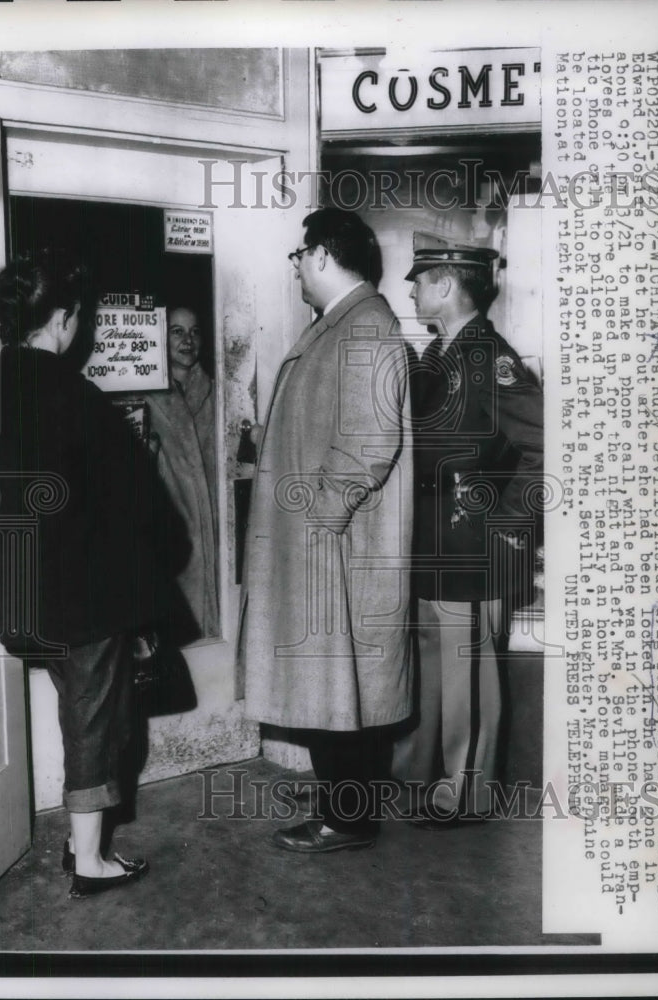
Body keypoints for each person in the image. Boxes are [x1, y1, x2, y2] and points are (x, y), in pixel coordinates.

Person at [0, 250, 179, 897]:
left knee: (78, 711)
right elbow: (137, 502)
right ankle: (88, 860)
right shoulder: (73, 392)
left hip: (24, 595)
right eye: (76, 316)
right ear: (61, 318)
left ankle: (77, 838)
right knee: (96, 723)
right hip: (83, 595)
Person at [240, 208, 414, 853]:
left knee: (342, 687)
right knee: (335, 688)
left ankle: (347, 818)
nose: (294, 267)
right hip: (326, 546)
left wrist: (321, 518)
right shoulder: (341, 323)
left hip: (334, 547)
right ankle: (344, 809)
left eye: (298, 255)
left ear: (319, 255)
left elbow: (371, 440)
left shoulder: (365, 324)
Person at [394, 243, 544, 822]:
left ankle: (466, 792)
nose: (411, 293)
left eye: (420, 283)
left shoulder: (492, 357)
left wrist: (507, 527)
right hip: (435, 537)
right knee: (434, 659)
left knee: (470, 671)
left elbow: (542, 446)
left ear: (447, 287)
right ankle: (419, 776)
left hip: (478, 542)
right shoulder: (438, 353)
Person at [146, 306, 219, 638]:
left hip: (216, 535)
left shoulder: (219, 393)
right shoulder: (144, 398)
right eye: (177, 331)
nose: (188, 340)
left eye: (194, 331)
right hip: (171, 539)